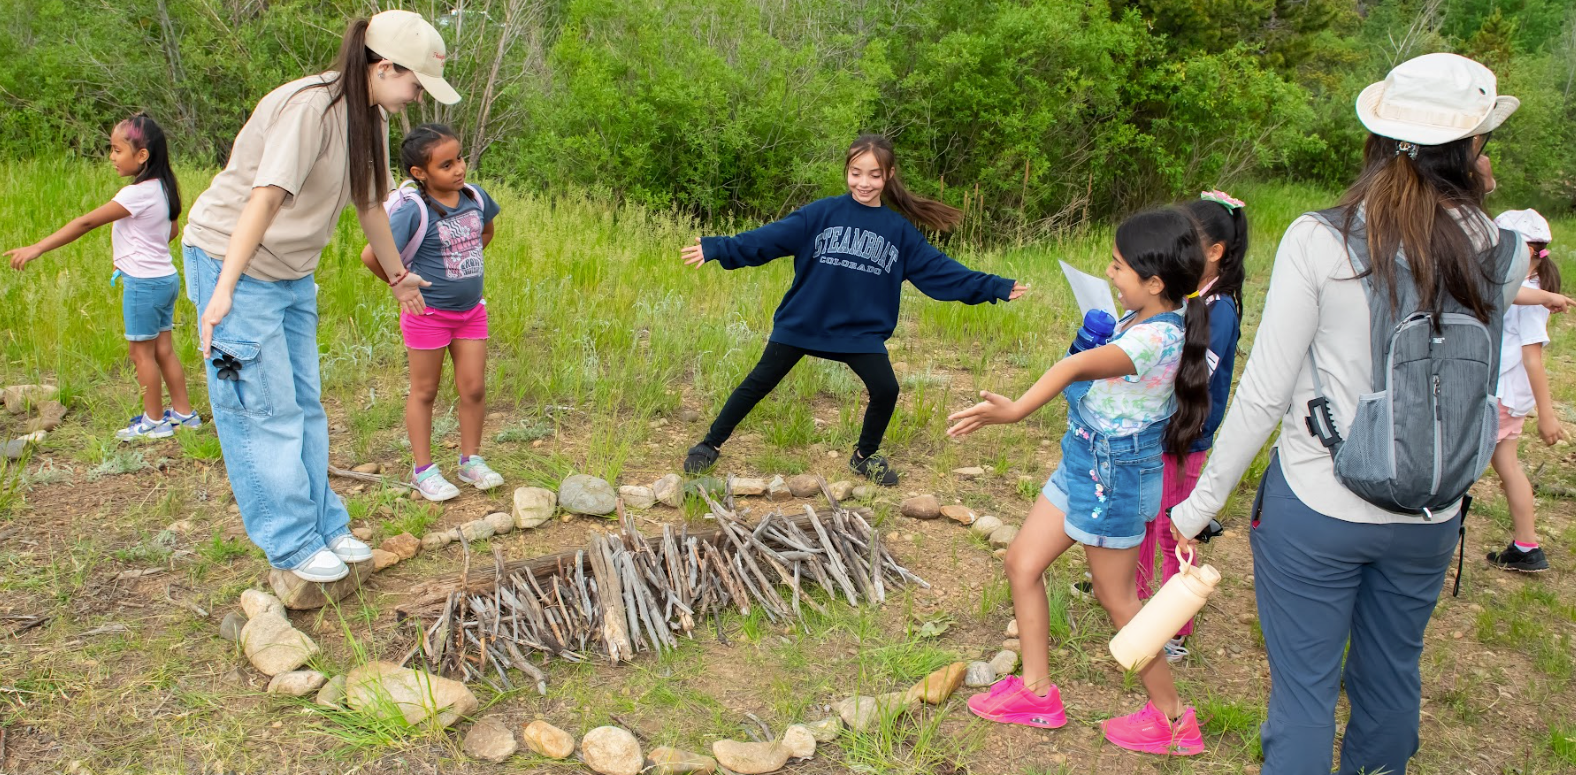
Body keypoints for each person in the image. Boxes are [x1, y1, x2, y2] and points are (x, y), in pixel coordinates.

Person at [1167, 53, 1570, 774]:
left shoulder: (1320, 239)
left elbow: (1265, 391)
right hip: (1430, 510)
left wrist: (1198, 505)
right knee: (1389, 686)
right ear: (1468, 151)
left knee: (1303, 699)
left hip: (1318, 505)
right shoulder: (1498, 250)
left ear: (1379, 139)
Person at [182, 10, 458, 582]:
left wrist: (399, 274)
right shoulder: (311, 107)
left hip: (290, 273)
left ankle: (324, 524)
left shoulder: (372, 116)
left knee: (306, 405)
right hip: (234, 261)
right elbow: (263, 199)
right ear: (384, 67)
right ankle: (289, 540)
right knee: (263, 408)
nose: (415, 98)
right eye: (413, 84)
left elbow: (370, 205)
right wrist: (223, 290)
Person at [948, 206, 1214, 756]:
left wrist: (1016, 409)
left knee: (1119, 600)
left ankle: (1171, 720)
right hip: (1083, 462)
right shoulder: (1144, 320)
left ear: (1155, 282)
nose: (1111, 275)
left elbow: (1073, 368)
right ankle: (1037, 693)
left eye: (1118, 268)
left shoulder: (1154, 340)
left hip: (1112, 478)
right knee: (1022, 562)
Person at [679, 134, 1027, 485]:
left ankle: (865, 456)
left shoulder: (898, 232)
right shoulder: (821, 214)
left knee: (886, 389)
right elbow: (768, 238)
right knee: (758, 382)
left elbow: (943, 271)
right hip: (805, 320)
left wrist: (994, 286)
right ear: (847, 172)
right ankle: (710, 444)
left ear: (888, 176)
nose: (864, 182)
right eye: (856, 173)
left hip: (858, 332)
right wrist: (718, 248)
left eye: (874, 175)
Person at [5, 114, 199, 440]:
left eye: (117, 150)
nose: (111, 157)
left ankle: (153, 422)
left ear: (142, 155)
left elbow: (85, 223)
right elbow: (171, 231)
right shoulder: (164, 188)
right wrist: (134, 252)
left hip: (143, 285)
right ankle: (184, 414)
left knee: (141, 353)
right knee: (163, 349)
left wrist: (38, 247)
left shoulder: (135, 195)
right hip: (165, 278)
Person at [358, 124, 504, 501]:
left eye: (459, 158)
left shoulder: (475, 196)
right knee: (425, 390)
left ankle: (470, 459)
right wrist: (400, 285)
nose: (458, 169)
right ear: (419, 174)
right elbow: (371, 255)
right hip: (429, 313)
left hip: (471, 311)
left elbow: (484, 233)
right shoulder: (413, 211)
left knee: (473, 387)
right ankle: (424, 470)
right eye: (446, 165)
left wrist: (460, 262)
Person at [1131, 190, 1248, 662]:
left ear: (1215, 252)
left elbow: (1195, 374)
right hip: (1157, 429)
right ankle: (1136, 600)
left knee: (1173, 530)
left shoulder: (1219, 312)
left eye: (1188, 243)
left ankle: (1174, 628)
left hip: (1185, 437)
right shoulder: (1187, 296)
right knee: (1143, 517)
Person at [1485, 208, 1564, 572]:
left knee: (1464, 462)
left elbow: (1532, 358)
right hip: (1508, 395)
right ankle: (1526, 546)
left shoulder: (1533, 295)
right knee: (1507, 466)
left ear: (1526, 251)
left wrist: (1546, 415)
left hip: (1500, 395)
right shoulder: (1523, 290)